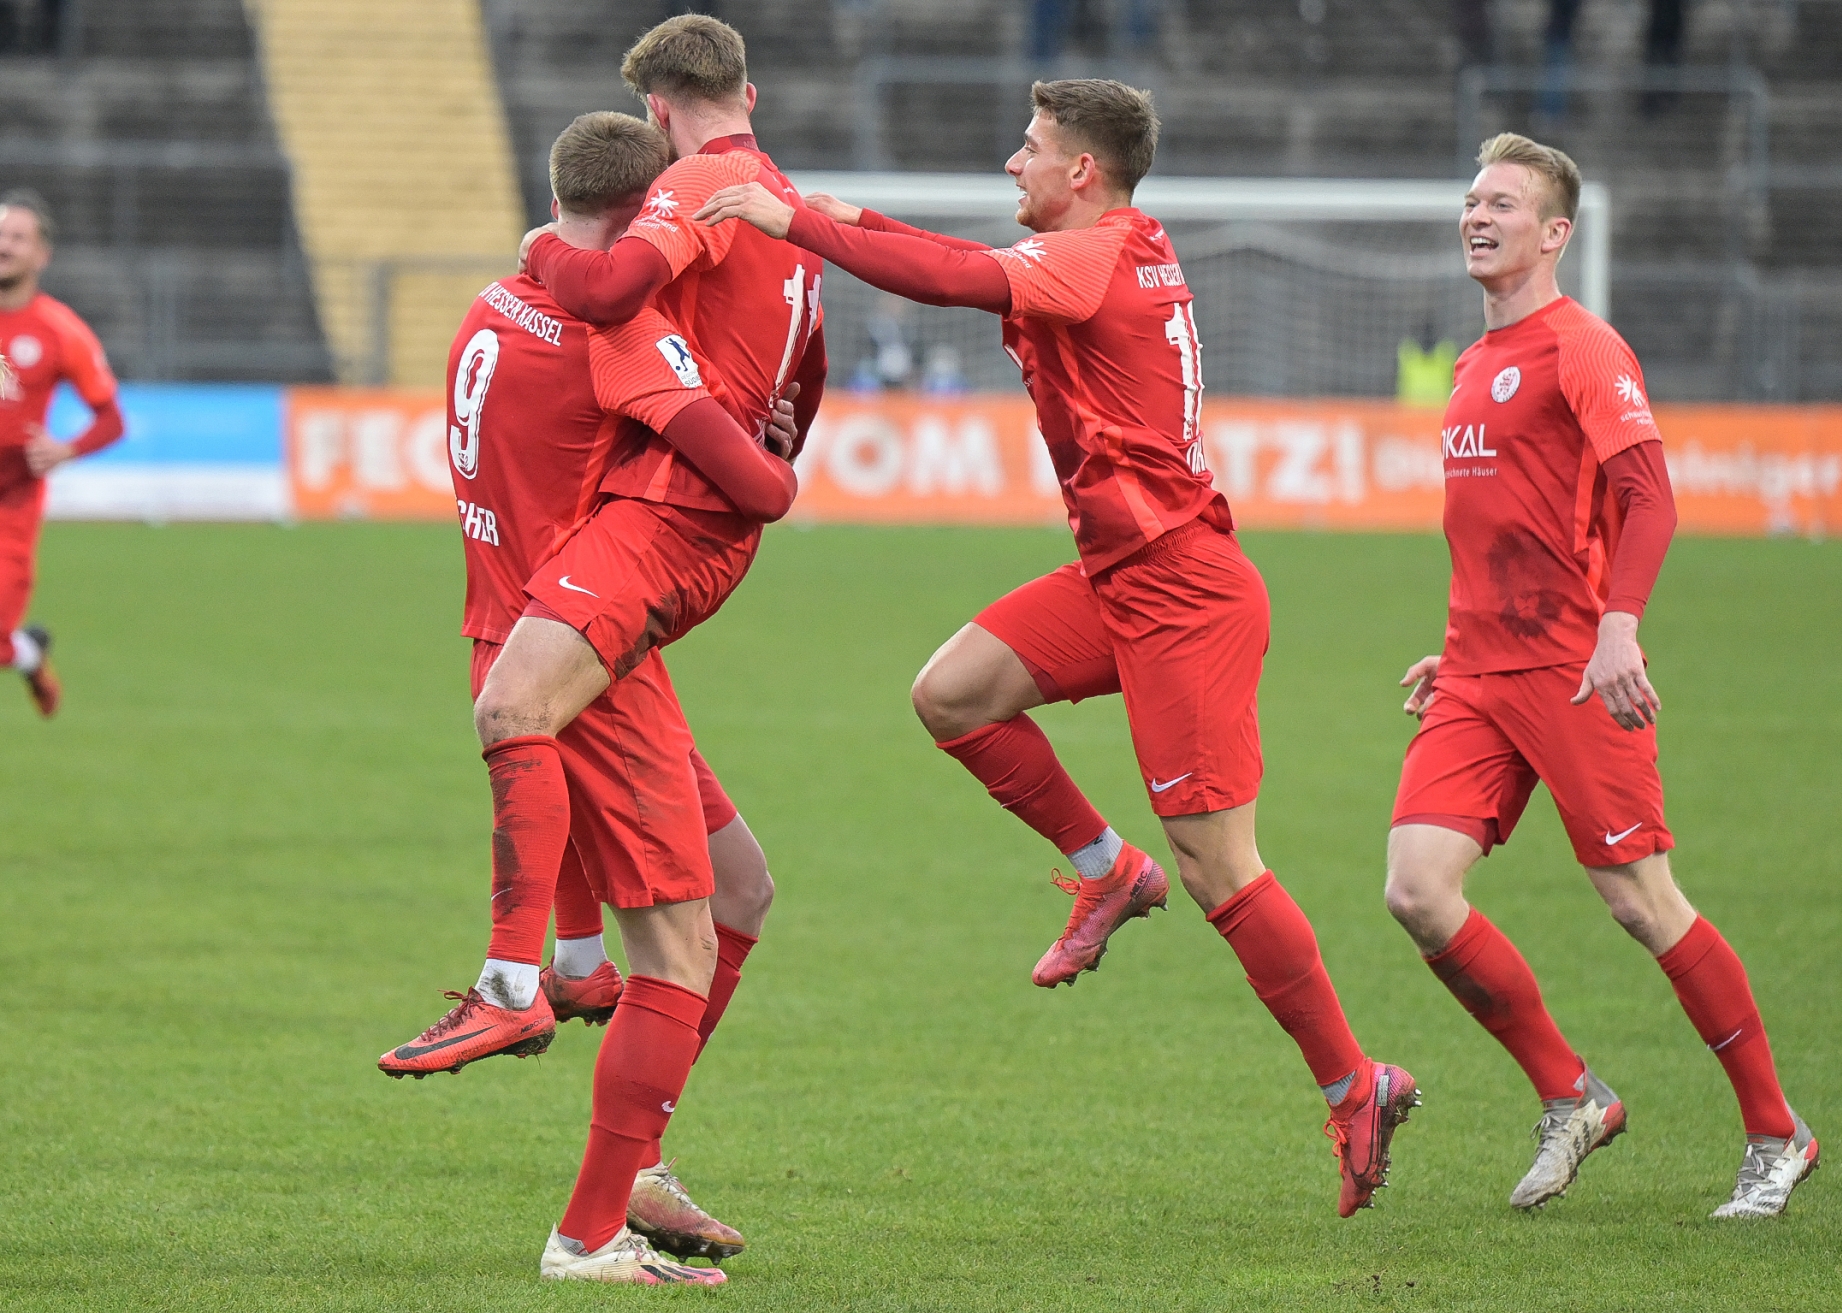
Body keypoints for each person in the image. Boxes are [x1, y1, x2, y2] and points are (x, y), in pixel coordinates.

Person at [695, 78, 1419, 1218]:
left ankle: (1353, 1082)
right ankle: (1105, 867)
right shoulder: (1105, 250)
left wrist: (800, 224)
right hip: (1123, 576)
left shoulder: (1097, 258)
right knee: (953, 694)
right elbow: (968, 260)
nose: (1010, 162)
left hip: (1183, 593)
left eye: (1029, 147)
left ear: (1083, 171)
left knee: (1221, 866)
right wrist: (854, 218)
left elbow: (957, 279)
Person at [373, 110, 804, 1284]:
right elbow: (757, 486)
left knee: (743, 884)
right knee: (679, 946)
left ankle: (623, 1119)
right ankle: (589, 1230)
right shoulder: (613, 329)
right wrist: (769, 443)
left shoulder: (498, 299)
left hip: (511, 621)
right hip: (583, 652)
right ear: (645, 212)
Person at [1383, 132, 1817, 1220]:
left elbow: (1650, 498)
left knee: (1639, 898)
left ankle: (1778, 1131)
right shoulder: (1474, 364)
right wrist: (1460, 642)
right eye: (1472, 199)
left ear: (1554, 233)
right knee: (1417, 890)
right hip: (1478, 669)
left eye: (1503, 203)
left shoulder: (1584, 347)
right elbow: (1503, 525)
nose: (1477, 216)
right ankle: (1572, 1094)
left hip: (1576, 669)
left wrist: (1618, 625)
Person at [505, 13, 829, 1274]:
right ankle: (624, 1163)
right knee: (735, 893)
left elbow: (599, 290)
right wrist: (764, 459)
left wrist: (541, 241)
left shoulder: (690, 190)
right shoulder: (788, 210)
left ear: (655, 112)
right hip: (704, 535)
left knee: (517, 713)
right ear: (752, 90)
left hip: (655, 527)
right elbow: (807, 383)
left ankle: (528, 981)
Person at [0, 189, 124, 719]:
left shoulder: (59, 329)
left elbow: (112, 419)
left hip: (12, 503)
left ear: (41, 255)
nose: (3, 245)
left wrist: (66, 448)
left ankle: (27, 654)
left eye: (16, 237)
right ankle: (27, 650)